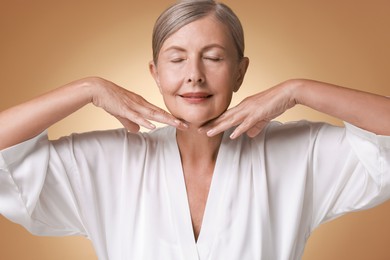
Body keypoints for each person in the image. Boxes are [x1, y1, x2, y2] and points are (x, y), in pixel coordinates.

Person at [0, 0, 389, 259]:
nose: (194, 77)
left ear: (240, 72)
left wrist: (297, 90)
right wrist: (87, 90)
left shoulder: (298, 153)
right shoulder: (107, 160)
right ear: (155, 72)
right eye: (176, 59)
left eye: (214, 58)